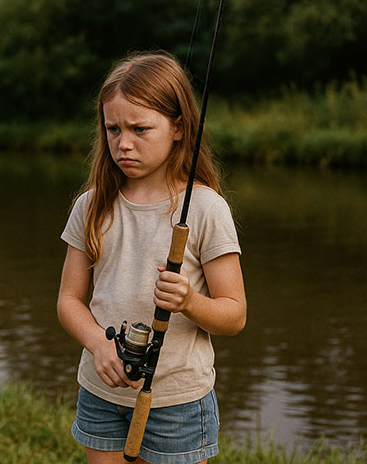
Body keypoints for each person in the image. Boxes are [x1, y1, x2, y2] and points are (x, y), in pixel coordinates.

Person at [56, 51, 246, 464]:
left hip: (177, 401)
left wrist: (190, 302)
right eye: (113, 129)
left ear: (178, 128)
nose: (123, 143)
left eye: (140, 129)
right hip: (100, 391)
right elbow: (69, 300)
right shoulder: (90, 206)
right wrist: (96, 344)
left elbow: (234, 315)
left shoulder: (207, 210)